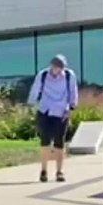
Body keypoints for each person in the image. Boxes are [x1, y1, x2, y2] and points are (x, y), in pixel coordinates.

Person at [25, 54, 78, 182]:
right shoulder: (42, 75)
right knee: (45, 141)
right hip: (45, 111)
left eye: (60, 68)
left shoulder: (69, 76)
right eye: (56, 67)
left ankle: (59, 172)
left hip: (61, 112)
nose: (57, 71)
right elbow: (35, 90)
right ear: (51, 66)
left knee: (60, 142)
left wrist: (71, 108)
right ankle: (44, 171)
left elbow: (73, 91)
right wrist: (30, 104)